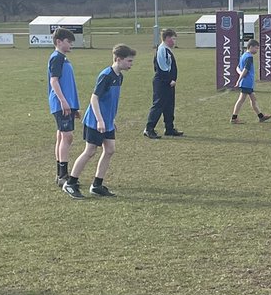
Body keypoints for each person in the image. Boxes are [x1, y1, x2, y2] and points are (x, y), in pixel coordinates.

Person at [62, 45, 136, 199]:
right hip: (95, 120)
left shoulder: (119, 76)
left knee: (109, 150)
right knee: (90, 151)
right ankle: (70, 183)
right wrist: (100, 120)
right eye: (129, 61)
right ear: (118, 59)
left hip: (107, 121)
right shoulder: (106, 75)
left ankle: (97, 185)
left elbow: (110, 100)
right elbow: (94, 98)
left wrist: (111, 119)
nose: (131, 64)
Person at [47, 28, 79, 187]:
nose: (71, 44)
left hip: (67, 104)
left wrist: (74, 106)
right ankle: (63, 176)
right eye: (68, 41)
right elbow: (54, 81)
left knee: (61, 136)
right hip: (61, 104)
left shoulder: (64, 58)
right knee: (67, 137)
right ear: (59, 42)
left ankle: (60, 174)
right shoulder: (57, 58)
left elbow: (68, 84)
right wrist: (63, 101)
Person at [144, 28, 182, 138]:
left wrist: (173, 79)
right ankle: (149, 129)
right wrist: (169, 80)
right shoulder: (162, 50)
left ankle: (169, 128)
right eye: (173, 39)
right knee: (158, 105)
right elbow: (162, 68)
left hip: (168, 82)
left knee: (169, 105)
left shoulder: (167, 50)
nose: (174, 41)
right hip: (162, 82)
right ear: (167, 38)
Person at [230, 39, 268, 124]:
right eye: (256, 48)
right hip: (247, 82)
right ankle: (234, 118)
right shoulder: (249, 57)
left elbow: (238, 68)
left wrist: (240, 76)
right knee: (241, 100)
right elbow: (245, 70)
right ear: (250, 47)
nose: (257, 50)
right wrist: (239, 80)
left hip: (247, 82)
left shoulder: (243, 55)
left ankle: (261, 116)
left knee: (253, 99)